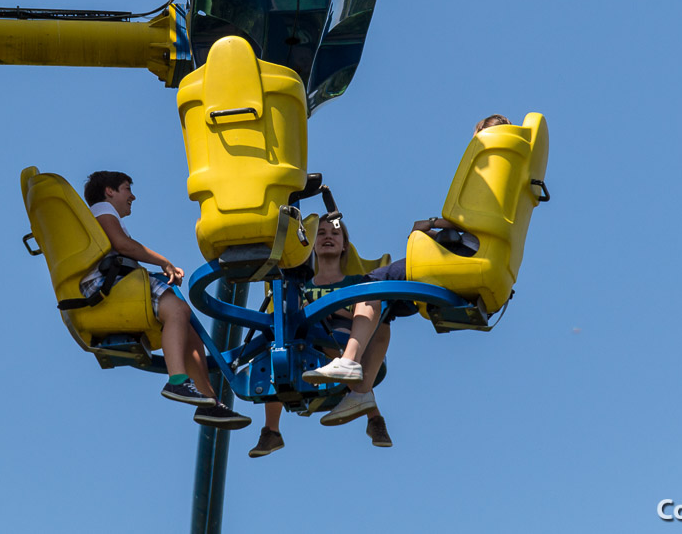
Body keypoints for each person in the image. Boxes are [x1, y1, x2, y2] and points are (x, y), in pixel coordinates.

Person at [301, 115, 512, 408]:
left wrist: (429, 224)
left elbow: (472, 217)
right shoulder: (516, 175)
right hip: (480, 256)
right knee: (386, 309)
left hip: (455, 253)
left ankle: (349, 360)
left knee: (370, 285)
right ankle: (360, 395)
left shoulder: (492, 164)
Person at [81, 171, 250, 430]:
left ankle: (209, 403)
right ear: (109, 191)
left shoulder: (100, 214)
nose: (132, 196)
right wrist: (164, 262)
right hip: (109, 282)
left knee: (188, 329)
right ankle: (177, 380)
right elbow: (122, 244)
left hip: (112, 280)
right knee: (178, 310)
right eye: (127, 188)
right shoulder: (102, 209)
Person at [249, 215, 393, 457]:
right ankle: (270, 430)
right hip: (303, 342)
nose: (328, 237)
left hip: (339, 337)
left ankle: (372, 414)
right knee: (275, 347)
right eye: (322, 233)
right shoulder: (300, 286)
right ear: (312, 244)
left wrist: (328, 308)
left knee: (337, 335)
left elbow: (367, 316)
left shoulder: (356, 282)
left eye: (335, 234)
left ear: (345, 244)